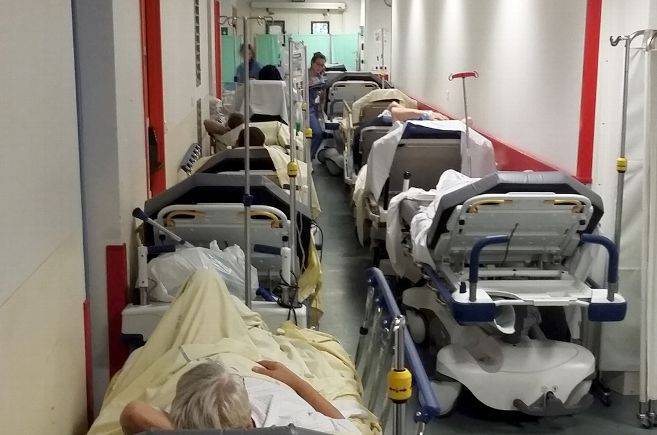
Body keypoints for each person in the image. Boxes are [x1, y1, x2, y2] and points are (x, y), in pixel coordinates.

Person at [119, 360, 358, 433]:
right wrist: (296, 381)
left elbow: (134, 412)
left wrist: (294, 382)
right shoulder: (304, 426)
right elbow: (344, 426)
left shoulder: (296, 422)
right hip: (228, 378)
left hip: (250, 372)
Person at [308, 52, 327, 159]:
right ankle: (308, 157)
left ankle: (310, 156)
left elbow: (322, 97)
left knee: (321, 133)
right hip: (307, 108)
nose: (320, 67)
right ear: (312, 63)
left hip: (317, 108)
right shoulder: (305, 76)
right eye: (318, 64)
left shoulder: (321, 78)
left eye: (322, 65)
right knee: (317, 133)